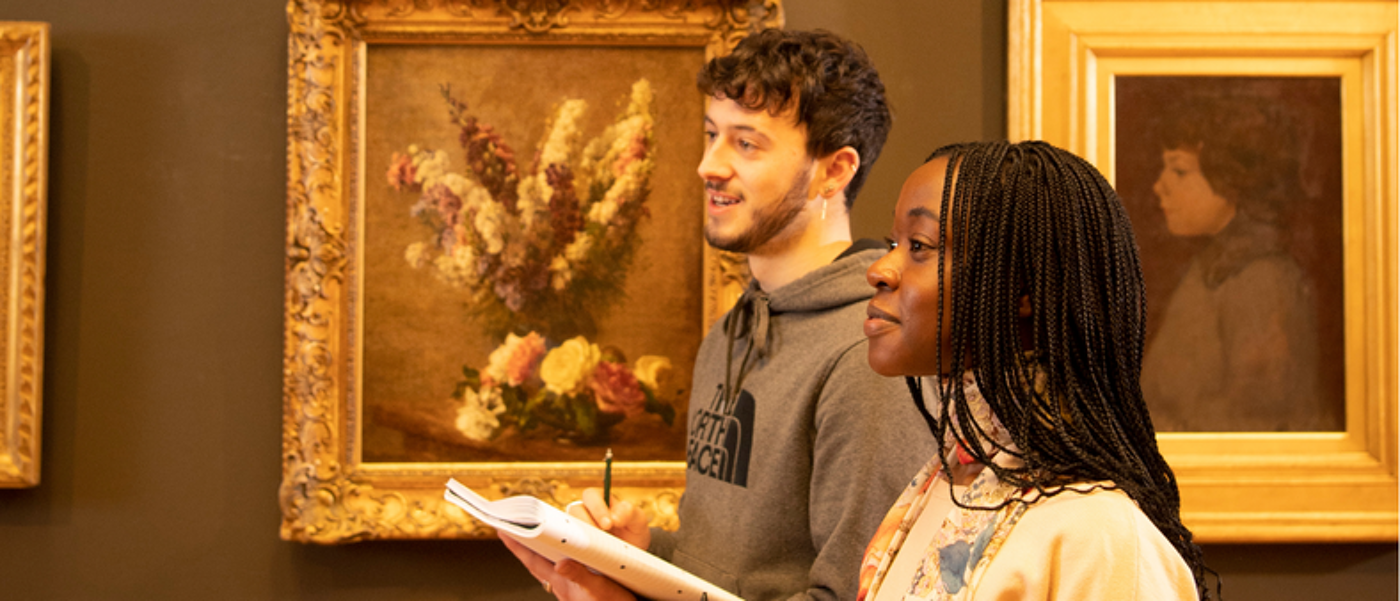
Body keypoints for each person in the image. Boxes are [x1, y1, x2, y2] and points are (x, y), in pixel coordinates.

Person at [503, 29, 935, 601]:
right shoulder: (731, 331)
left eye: (746, 143)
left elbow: (858, 595)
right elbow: (732, 574)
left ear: (834, 171)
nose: (709, 165)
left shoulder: (868, 357)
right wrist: (643, 554)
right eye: (712, 135)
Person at [858, 141, 1213, 600]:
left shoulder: (1100, 536)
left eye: (919, 246)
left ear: (1022, 288)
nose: (880, 270)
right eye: (893, 244)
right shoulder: (946, 483)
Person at [1140, 97, 1329, 431]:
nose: (1159, 186)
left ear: (1232, 178)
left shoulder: (1263, 280)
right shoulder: (1210, 268)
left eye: (1179, 170)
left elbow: (1252, 427)